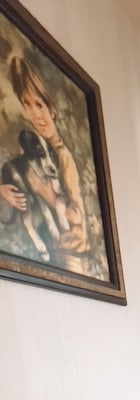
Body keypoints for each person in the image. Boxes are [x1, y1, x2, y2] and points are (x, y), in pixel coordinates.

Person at [6, 55, 88, 273]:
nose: (35, 114)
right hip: (47, 255)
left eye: (39, 105)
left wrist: (43, 190)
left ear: (52, 109)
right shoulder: (32, 145)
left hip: (70, 257)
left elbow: (76, 216)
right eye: (27, 104)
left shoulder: (63, 158)